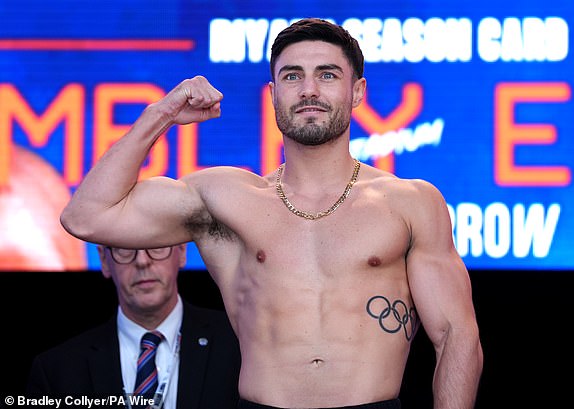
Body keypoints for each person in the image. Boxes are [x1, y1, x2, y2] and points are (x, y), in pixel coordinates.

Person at [60, 17, 483, 409]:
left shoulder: (409, 202)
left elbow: (455, 336)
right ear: (273, 93)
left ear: (357, 92)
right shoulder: (227, 199)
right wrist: (161, 114)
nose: (309, 90)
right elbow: (86, 217)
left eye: (328, 75)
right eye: (292, 76)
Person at [26, 243, 241, 409]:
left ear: (182, 251)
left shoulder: (240, 345)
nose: (142, 261)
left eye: (156, 246)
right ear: (103, 259)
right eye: (125, 250)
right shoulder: (57, 370)